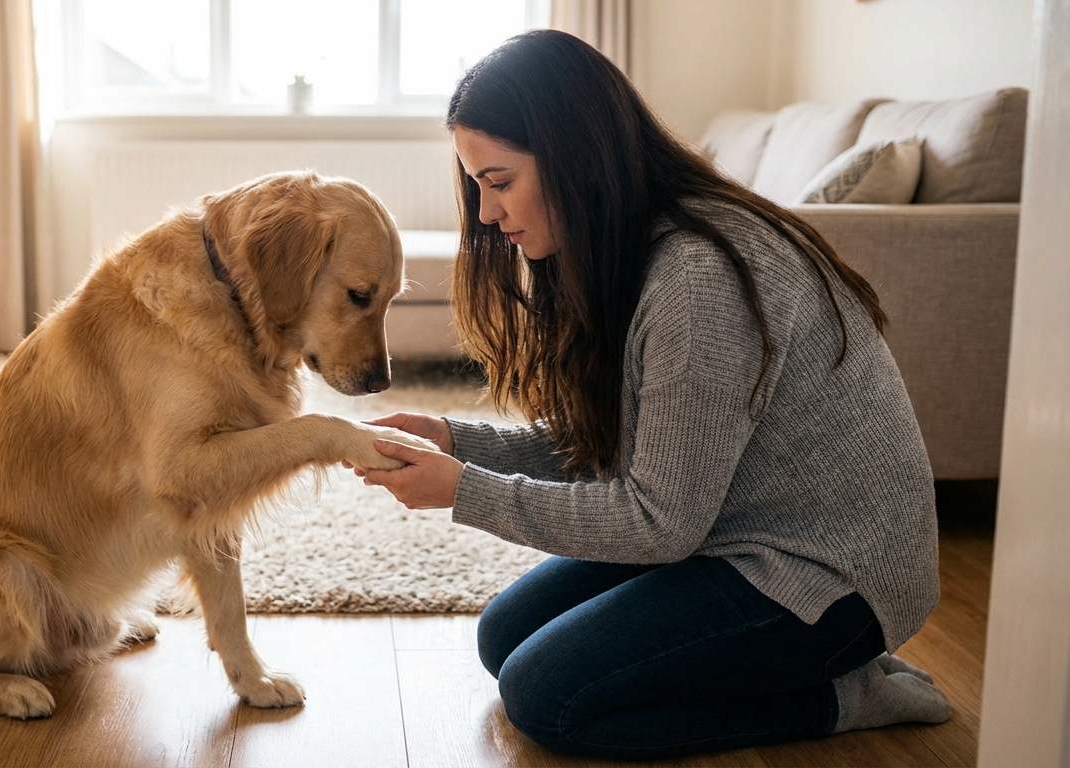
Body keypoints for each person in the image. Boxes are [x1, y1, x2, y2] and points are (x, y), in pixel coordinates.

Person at [347, 29, 952, 760]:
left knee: (547, 698)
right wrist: (457, 441)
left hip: (829, 579)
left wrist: (463, 490)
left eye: (499, 182)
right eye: (477, 183)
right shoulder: (627, 247)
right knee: (503, 637)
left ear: (575, 158)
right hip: (727, 527)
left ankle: (842, 694)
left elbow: (659, 523)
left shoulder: (699, 279)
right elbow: (609, 442)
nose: (484, 213)